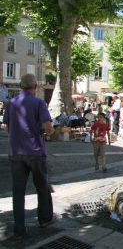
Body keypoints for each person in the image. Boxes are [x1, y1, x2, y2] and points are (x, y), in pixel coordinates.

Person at [3, 74, 55, 238]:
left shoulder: (11, 103)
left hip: (15, 152)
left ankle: (19, 229)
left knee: (18, 191)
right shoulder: (39, 103)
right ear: (35, 87)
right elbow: (48, 127)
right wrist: (51, 131)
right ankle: (44, 219)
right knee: (42, 187)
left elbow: (7, 127)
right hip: (35, 152)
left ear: (20, 86)